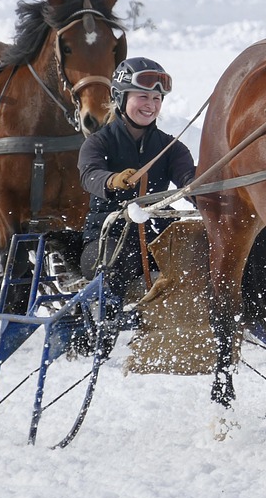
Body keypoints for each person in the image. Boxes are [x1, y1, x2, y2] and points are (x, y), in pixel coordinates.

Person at [77, 57, 195, 314]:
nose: (151, 105)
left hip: (157, 242)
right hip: (105, 242)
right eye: (143, 96)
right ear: (120, 97)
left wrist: (206, 190)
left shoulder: (170, 148)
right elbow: (89, 175)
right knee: (119, 260)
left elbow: (190, 181)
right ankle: (105, 325)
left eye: (157, 99)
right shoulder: (98, 143)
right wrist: (113, 180)